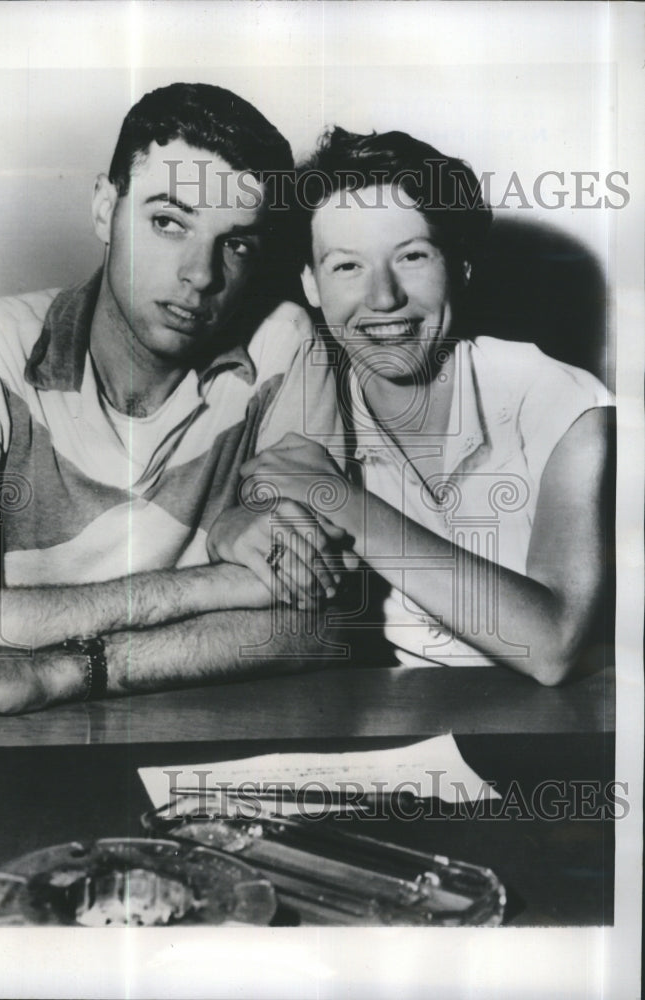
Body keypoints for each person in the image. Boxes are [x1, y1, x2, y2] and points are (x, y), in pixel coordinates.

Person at [0, 83, 345, 724]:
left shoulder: (283, 347)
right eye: (168, 222)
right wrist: (215, 584)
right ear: (103, 208)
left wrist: (63, 670)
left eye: (237, 243)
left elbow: (318, 629)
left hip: (202, 739)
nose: (201, 274)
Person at [228, 127, 613, 686]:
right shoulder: (305, 403)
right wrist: (231, 528)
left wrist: (343, 502)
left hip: (562, 737)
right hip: (401, 732)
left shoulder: (564, 405)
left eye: (411, 256)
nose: (383, 298)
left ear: (461, 266)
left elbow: (552, 643)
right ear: (311, 285)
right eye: (346, 267)